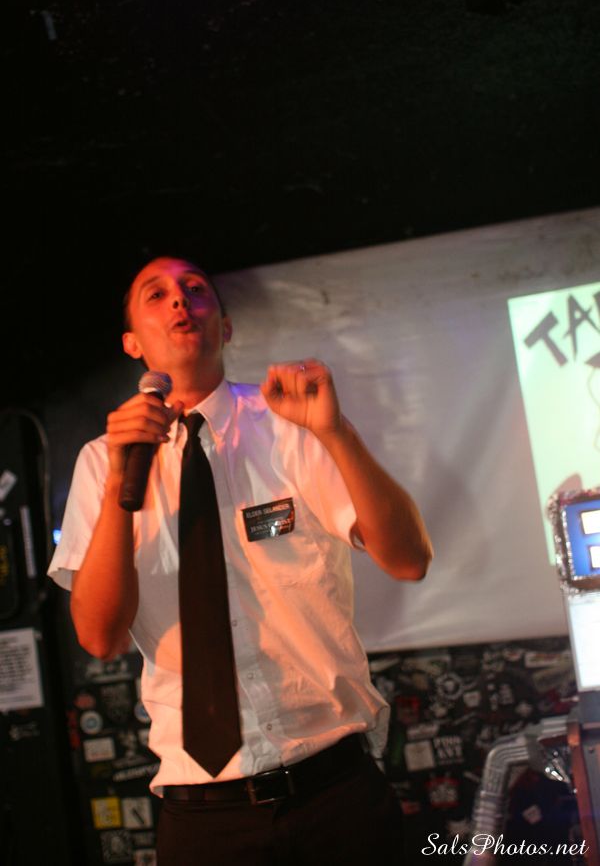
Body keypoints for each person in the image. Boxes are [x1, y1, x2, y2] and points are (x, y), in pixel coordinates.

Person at [48, 255, 433, 865]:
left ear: (224, 327)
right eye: (156, 295)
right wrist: (123, 480)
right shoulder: (103, 460)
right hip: (204, 813)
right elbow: (99, 636)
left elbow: (410, 559)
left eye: (195, 289)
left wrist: (336, 432)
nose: (180, 300)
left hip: (334, 789)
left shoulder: (291, 424)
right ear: (132, 343)